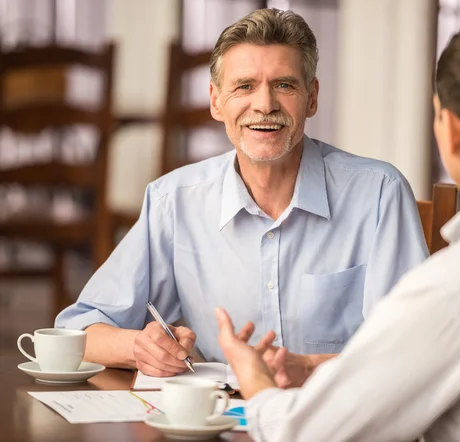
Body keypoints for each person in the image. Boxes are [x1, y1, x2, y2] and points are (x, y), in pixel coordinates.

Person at [216, 15, 460, 442]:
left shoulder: (456, 285)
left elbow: (305, 435)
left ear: (449, 131)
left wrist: (254, 381)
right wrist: (307, 367)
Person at [55, 8, 428, 381]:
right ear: (216, 101)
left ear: (311, 98)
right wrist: (140, 347)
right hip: (220, 425)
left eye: (284, 84)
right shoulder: (174, 201)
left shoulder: (379, 194)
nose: (264, 105)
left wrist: (311, 367)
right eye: (244, 86)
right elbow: (80, 332)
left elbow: (415, 347)